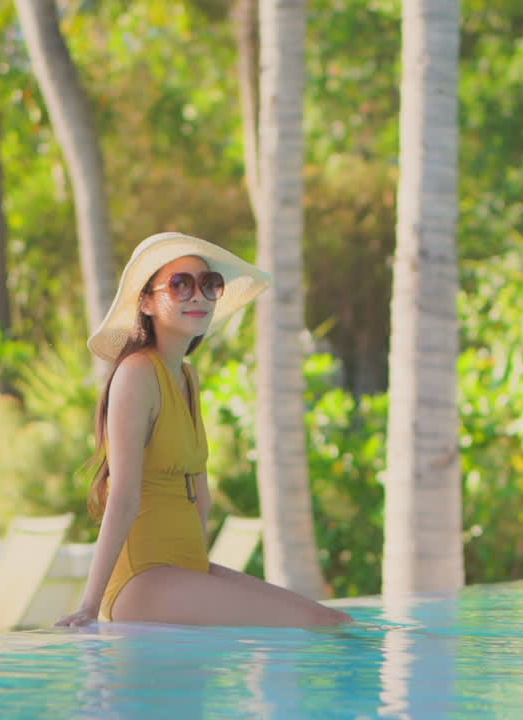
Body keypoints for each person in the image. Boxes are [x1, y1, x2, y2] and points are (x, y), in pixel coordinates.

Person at [56, 232, 352, 628]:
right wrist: (90, 607)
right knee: (318, 626)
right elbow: (123, 496)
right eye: (181, 285)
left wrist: (201, 579)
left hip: (185, 566)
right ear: (146, 302)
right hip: (142, 577)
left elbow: (202, 498)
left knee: (335, 621)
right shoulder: (137, 374)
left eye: (209, 285)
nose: (198, 296)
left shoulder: (187, 378)